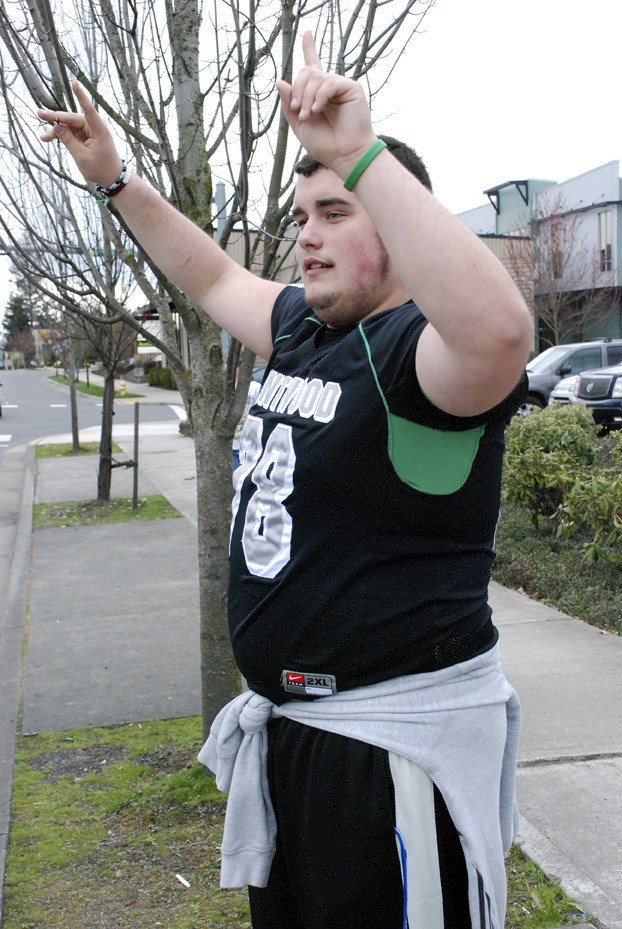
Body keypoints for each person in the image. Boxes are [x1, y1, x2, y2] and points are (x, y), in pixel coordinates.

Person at [39, 32, 533, 929]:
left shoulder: (425, 361)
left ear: (400, 219)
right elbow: (214, 272)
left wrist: (360, 152)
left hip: (390, 757)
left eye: (336, 213)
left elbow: (503, 333)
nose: (306, 238)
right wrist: (116, 178)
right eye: (302, 217)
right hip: (293, 739)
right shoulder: (307, 327)